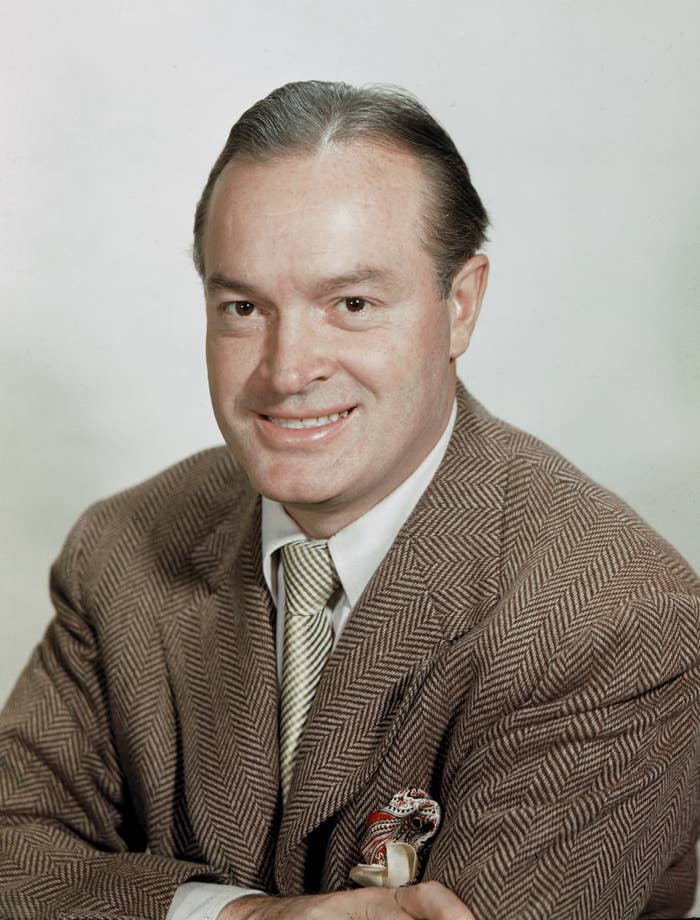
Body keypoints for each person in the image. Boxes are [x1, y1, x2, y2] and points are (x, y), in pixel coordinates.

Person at [0, 81, 698, 920]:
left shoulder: (616, 619)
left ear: (461, 304)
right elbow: (13, 848)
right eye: (244, 307)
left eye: (353, 304)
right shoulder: (120, 546)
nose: (289, 369)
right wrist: (235, 916)